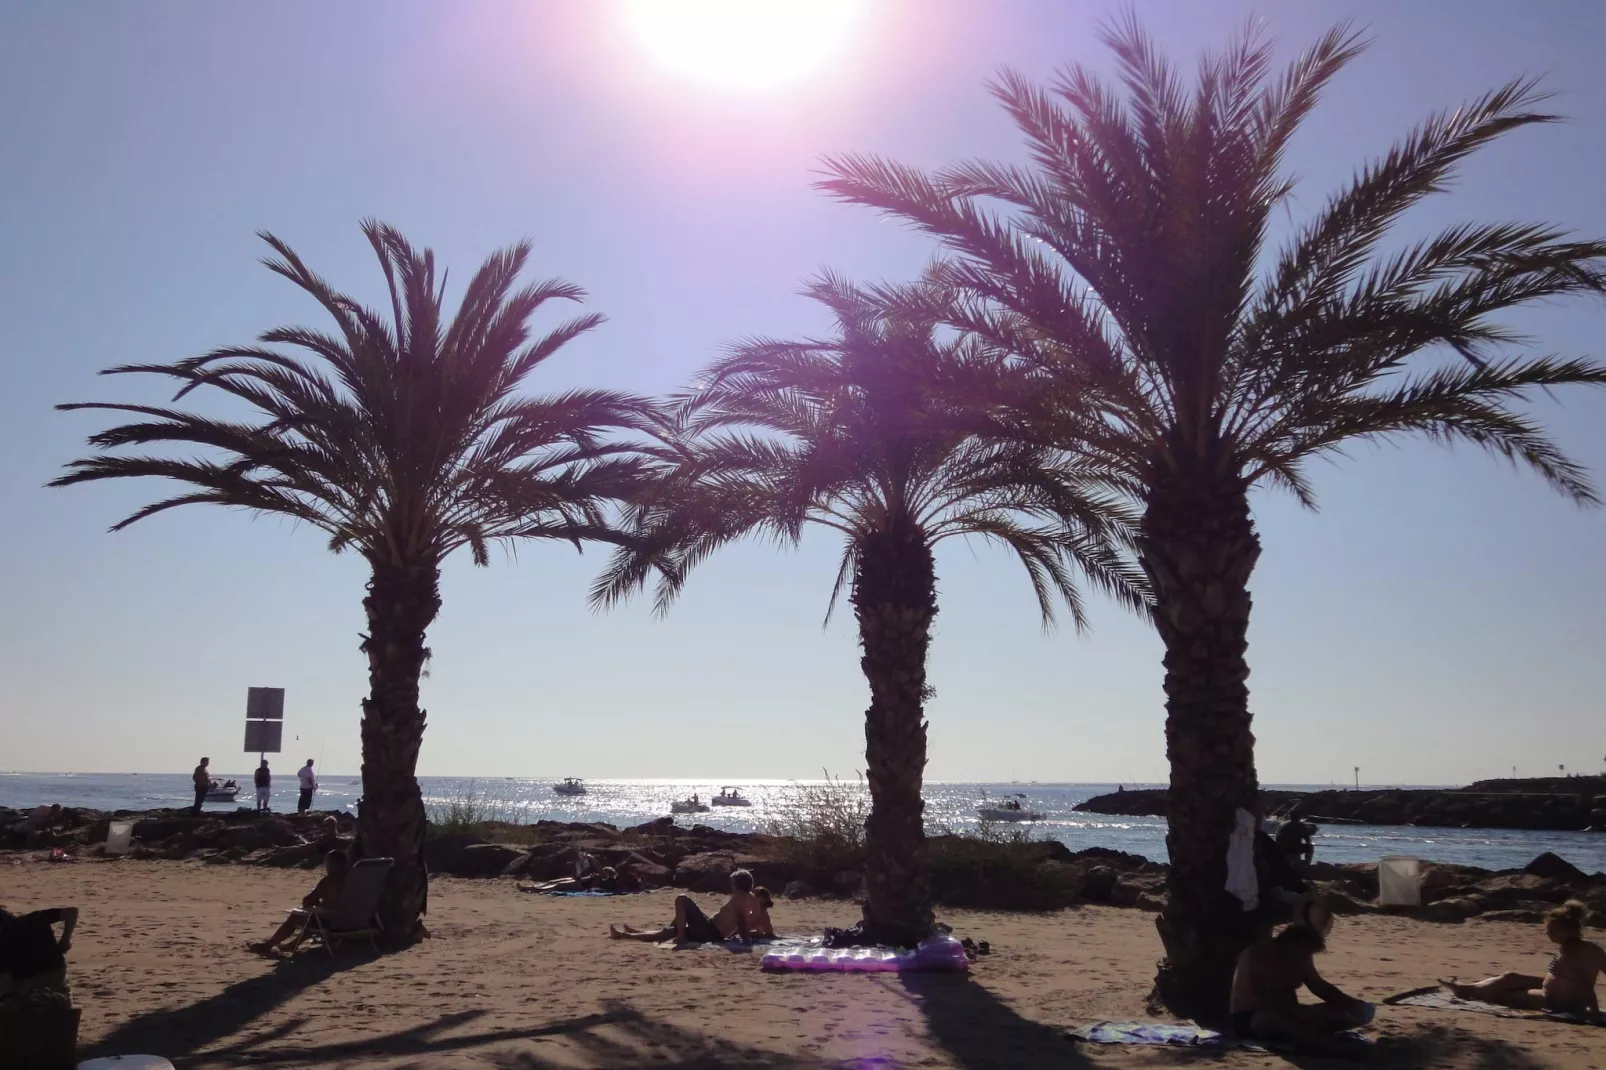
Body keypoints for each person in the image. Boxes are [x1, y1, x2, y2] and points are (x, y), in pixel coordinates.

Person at [1230, 899, 1374, 1051]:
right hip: (1253, 1017)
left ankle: (1313, 1034)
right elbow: (1262, 997)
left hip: (1292, 1012)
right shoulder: (1257, 954)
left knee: (1341, 1013)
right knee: (1270, 1020)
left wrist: (1352, 1004)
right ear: (1292, 942)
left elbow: (1319, 986)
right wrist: (1298, 1012)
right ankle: (1326, 1044)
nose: (1306, 956)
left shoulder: (1301, 955)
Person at [1441, 901, 1604, 1016]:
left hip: (1556, 1001)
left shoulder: (1576, 951)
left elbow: (1585, 985)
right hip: (1556, 990)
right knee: (1510, 977)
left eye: (1552, 930)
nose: (1547, 934)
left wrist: (1594, 1013)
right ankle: (1467, 988)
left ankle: (1465, 991)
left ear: (1568, 930)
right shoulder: (1582, 946)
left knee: (1507, 995)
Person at [609, 869, 774, 944]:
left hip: (710, 931)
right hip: (711, 930)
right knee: (667, 931)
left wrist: (745, 939)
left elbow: (741, 919)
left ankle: (680, 935)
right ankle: (630, 934)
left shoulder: (739, 897)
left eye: (732, 882)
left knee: (681, 899)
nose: (730, 885)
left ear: (737, 884)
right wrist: (743, 934)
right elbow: (756, 918)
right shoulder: (751, 898)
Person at [248, 851, 349, 956]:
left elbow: (307, 901)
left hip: (334, 923)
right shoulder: (356, 879)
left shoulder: (330, 880)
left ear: (332, 864)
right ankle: (293, 944)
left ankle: (267, 946)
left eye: (327, 864)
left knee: (297, 916)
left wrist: (319, 900)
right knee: (314, 916)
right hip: (355, 921)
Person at [0, 906, 78, 997]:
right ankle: (64, 998)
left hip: (29, 981)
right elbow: (72, 911)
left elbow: (5, 977)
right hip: (57, 973)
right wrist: (65, 939)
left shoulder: (4, 940)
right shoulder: (35, 918)